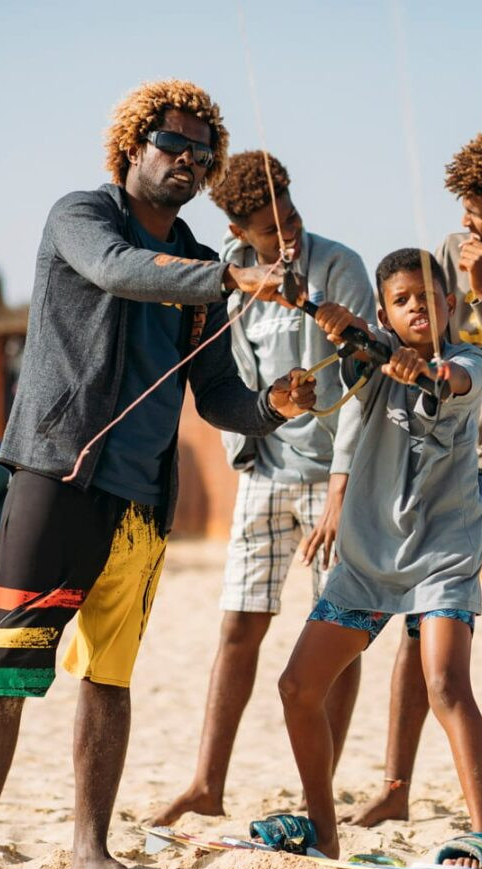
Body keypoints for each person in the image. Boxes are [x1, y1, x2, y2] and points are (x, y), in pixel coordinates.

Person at [0, 80, 315, 869]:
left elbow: (216, 393)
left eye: (200, 152)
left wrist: (272, 407)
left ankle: (90, 852)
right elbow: (117, 273)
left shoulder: (200, 265)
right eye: (171, 144)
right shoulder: (80, 217)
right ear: (131, 147)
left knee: (109, 681)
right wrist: (232, 279)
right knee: (7, 673)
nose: (187, 160)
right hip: (57, 475)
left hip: (143, 502)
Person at [350, 125, 482, 826]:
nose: (466, 225)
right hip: (456, 466)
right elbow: (412, 334)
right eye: (463, 209)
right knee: (422, 622)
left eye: (477, 212)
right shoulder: (444, 254)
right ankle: (394, 786)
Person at [150, 151, 375, 827]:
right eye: (270, 227)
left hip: (333, 479)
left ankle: (319, 795)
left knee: (334, 635)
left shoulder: (340, 265)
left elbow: (368, 377)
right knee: (238, 628)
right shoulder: (224, 272)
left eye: (293, 215)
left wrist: (342, 488)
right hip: (262, 470)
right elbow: (217, 372)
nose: (289, 234)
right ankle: (206, 784)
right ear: (237, 227)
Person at [276, 249, 482, 862]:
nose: (417, 309)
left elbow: (448, 382)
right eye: (402, 301)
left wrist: (411, 365)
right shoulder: (367, 357)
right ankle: (322, 831)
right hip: (367, 561)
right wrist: (323, 312)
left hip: (440, 559)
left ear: (451, 305)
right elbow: (358, 353)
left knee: (446, 684)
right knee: (297, 687)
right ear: (384, 312)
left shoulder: (469, 361)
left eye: (428, 299)